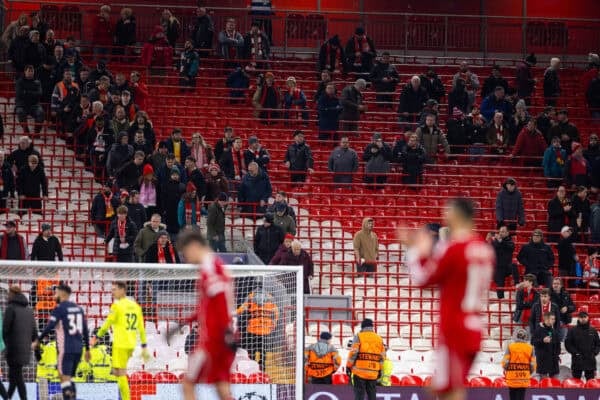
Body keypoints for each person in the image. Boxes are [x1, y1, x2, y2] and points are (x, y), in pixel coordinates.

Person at [403, 198, 494, 400]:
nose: (444, 215)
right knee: (452, 388)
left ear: (456, 214)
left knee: (446, 392)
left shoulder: (454, 247)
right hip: (475, 326)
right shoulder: (485, 249)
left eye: (447, 211)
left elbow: (423, 279)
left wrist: (415, 250)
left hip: (455, 327)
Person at [171, 230, 236, 400]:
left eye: (185, 253)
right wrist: (182, 324)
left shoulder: (210, 267)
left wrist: (225, 332)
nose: (185, 259)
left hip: (213, 341)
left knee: (187, 384)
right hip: (222, 336)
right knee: (222, 389)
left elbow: (221, 298)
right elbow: (207, 307)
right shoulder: (215, 265)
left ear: (193, 246)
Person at [35, 284, 90, 400]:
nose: (54, 295)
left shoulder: (60, 309)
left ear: (62, 293)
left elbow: (50, 326)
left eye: (56, 292)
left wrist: (38, 340)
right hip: (79, 349)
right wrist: (88, 349)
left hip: (66, 349)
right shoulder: (79, 309)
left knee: (63, 377)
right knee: (70, 379)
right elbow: (85, 330)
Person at [97, 281, 150, 400]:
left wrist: (96, 337)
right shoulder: (136, 306)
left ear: (122, 290)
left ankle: (126, 398)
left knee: (120, 373)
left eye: (114, 289)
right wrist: (144, 346)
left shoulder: (117, 306)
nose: (112, 292)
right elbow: (141, 328)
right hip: (130, 344)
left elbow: (107, 324)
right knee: (118, 372)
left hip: (120, 344)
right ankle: (124, 397)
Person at [3, 286, 37, 400]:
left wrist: (7, 345)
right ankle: (7, 397)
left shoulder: (11, 308)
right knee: (13, 377)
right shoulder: (29, 310)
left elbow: (5, 330)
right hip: (25, 349)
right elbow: (34, 330)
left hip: (14, 349)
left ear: (12, 294)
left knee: (17, 377)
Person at [236, 285, 279, 371]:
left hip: (253, 329)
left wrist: (235, 312)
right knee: (263, 351)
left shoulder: (251, 297)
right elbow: (276, 312)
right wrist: (274, 323)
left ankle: (252, 368)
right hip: (265, 329)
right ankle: (262, 369)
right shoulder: (270, 298)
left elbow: (242, 309)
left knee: (252, 350)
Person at [346, 319, 385, 400]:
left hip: (360, 372)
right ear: (372, 327)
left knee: (359, 395)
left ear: (362, 327)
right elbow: (382, 357)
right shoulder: (379, 338)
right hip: (373, 372)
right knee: (372, 395)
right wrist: (380, 369)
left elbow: (353, 353)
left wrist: (348, 366)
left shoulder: (359, 336)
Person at [501, 328, 536, 400]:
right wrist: (528, 372)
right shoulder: (530, 348)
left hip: (512, 378)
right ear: (525, 337)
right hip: (524, 378)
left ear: (516, 336)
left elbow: (504, 363)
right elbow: (533, 365)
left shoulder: (510, 347)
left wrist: (507, 368)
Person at [565, 311, 600, 380]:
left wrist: (594, 353)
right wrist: (575, 353)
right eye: (581, 317)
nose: (583, 319)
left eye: (585, 317)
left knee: (590, 382)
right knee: (576, 381)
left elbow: (598, 344)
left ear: (588, 318)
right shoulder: (572, 330)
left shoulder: (593, 330)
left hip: (590, 360)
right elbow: (568, 344)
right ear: (578, 318)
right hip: (577, 360)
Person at [487, 225, 518, 299]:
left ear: (507, 233)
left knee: (514, 265)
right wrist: (488, 240)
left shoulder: (510, 242)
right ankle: (501, 300)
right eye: (500, 231)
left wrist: (500, 241)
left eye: (503, 231)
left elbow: (510, 247)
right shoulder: (495, 242)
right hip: (498, 267)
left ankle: (517, 285)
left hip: (507, 266)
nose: (501, 233)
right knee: (500, 284)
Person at [15, 65, 45, 136]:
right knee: (20, 112)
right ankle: (26, 131)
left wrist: (26, 92)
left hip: (34, 105)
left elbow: (40, 94)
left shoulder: (37, 82)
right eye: (29, 71)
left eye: (32, 71)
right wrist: (33, 93)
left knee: (41, 113)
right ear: (25, 72)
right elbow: (19, 94)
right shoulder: (19, 82)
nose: (30, 73)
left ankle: (37, 132)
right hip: (22, 105)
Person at [531, 312, 561, 378]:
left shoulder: (554, 331)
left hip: (554, 361)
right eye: (552, 319)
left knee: (555, 382)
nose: (554, 321)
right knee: (544, 383)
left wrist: (557, 354)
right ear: (546, 319)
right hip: (543, 361)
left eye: (554, 319)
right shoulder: (538, 330)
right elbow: (533, 342)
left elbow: (558, 344)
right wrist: (542, 340)